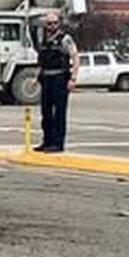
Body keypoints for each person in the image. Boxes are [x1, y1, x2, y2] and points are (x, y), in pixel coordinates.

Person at [34, 11, 78, 153]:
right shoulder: (42, 39)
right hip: (46, 78)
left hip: (60, 78)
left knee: (59, 112)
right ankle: (47, 141)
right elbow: (41, 60)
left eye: (55, 23)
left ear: (59, 23)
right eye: (49, 23)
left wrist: (73, 78)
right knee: (45, 112)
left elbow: (75, 57)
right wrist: (36, 77)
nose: (52, 26)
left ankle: (58, 144)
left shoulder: (65, 39)